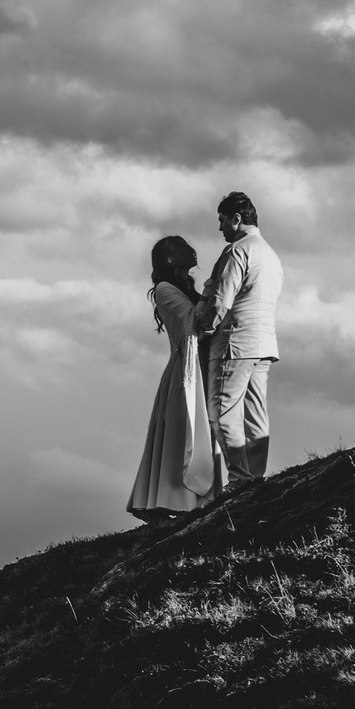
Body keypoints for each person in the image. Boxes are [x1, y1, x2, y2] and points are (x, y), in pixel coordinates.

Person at [126, 235, 220, 521]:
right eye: (182, 249)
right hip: (186, 370)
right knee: (183, 432)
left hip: (199, 366)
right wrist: (210, 291)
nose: (192, 252)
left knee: (196, 431)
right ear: (170, 259)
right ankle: (173, 500)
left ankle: (196, 500)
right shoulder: (165, 289)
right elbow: (193, 323)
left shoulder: (184, 287)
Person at [197, 191, 283, 484]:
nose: (220, 228)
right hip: (264, 343)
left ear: (236, 218)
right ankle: (256, 477)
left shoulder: (237, 251)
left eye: (222, 220)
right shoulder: (271, 255)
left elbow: (221, 300)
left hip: (235, 343)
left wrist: (204, 329)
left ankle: (240, 478)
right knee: (255, 415)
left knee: (221, 412)